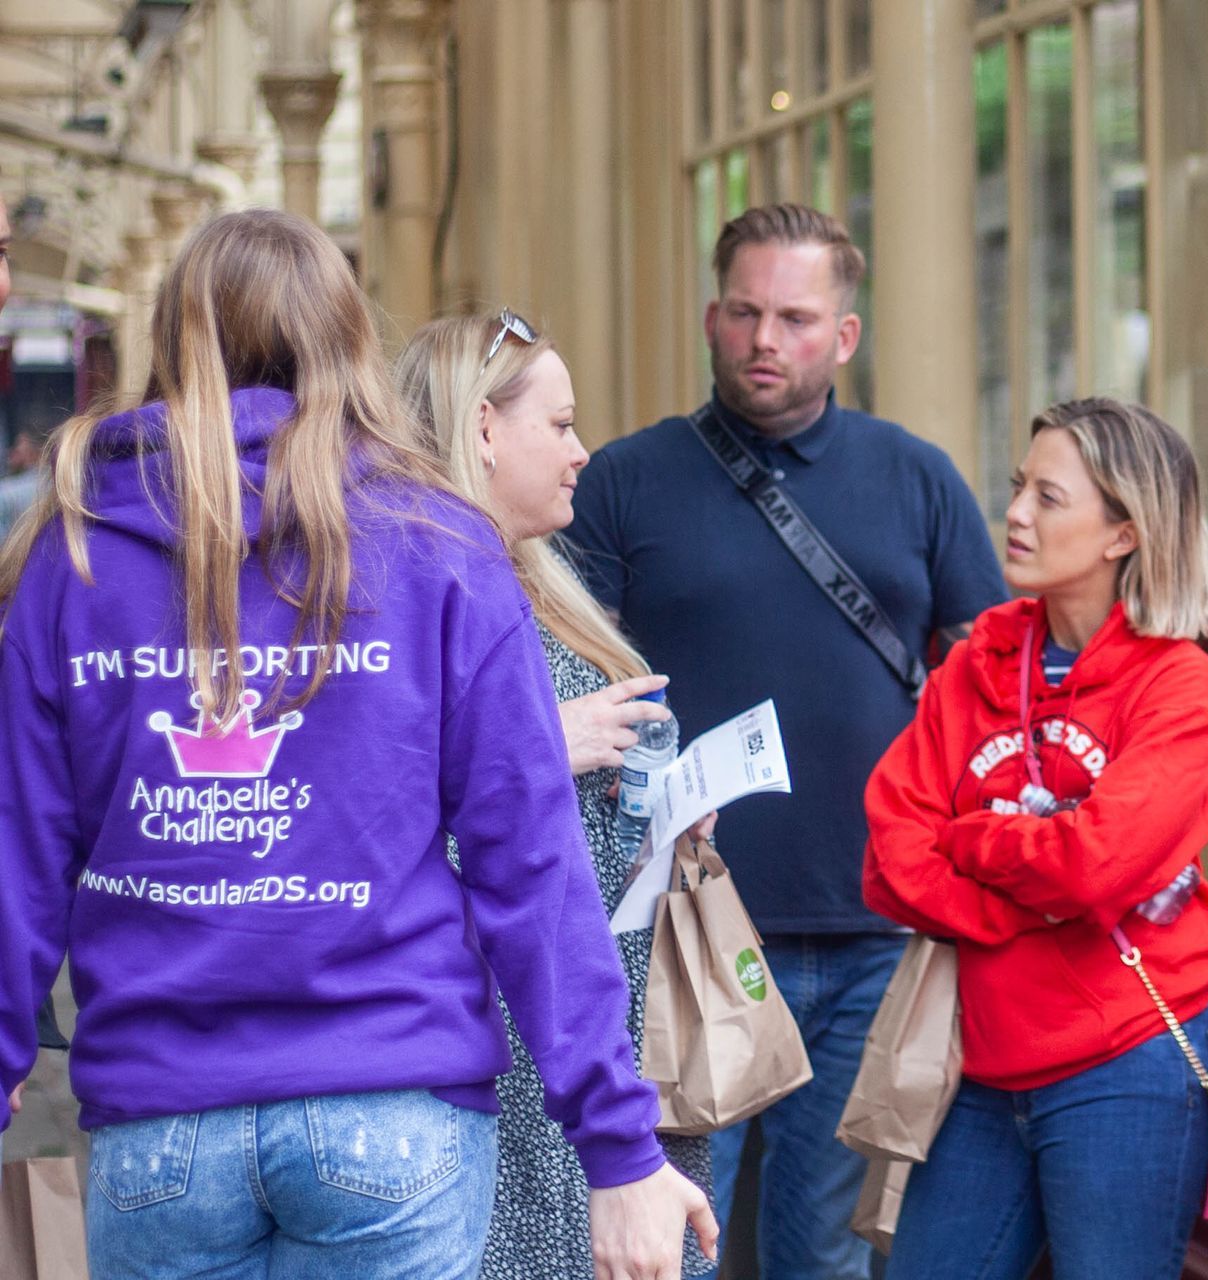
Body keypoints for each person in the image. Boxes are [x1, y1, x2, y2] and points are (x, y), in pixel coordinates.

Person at [0, 209, 713, 1280]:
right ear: (347, 339)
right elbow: (531, 861)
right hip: (392, 1111)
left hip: (162, 1126)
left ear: (175, 339)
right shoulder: (440, 546)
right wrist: (617, 1145)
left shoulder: (76, 551)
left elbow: (18, 849)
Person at [564, 203, 1005, 1277]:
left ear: (844, 336)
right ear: (711, 319)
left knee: (825, 1258)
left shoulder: (917, 477)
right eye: (745, 311)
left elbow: (988, 682)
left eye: (797, 319)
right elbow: (569, 671)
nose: (766, 339)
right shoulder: (624, 479)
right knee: (668, 1244)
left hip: (872, 932)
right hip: (682, 927)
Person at [864, 398, 1208, 1279]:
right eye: (1018, 487)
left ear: (1123, 534)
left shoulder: (1180, 687)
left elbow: (1093, 868)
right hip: (981, 1064)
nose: (1016, 514)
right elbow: (888, 861)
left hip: (1127, 1061)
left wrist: (972, 840)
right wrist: (1032, 898)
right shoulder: (975, 665)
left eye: (1048, 496)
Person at [397, 310, 717, 1279]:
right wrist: (542, 748)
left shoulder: (537, 580)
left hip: (599, 1025)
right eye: (562, 425)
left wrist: (671, 804)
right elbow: (377, 830)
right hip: (512, 1042)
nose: (583, 453)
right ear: (483, 429)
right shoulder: (417, 592)